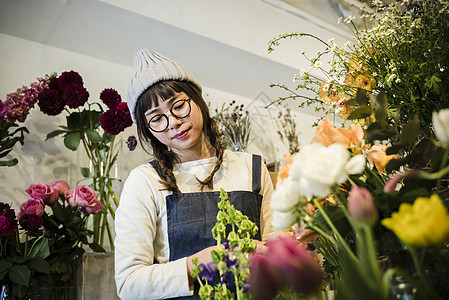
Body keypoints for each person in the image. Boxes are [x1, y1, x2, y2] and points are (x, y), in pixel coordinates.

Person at [114, 49, 275, 299]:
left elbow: (274, 246)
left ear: (198, 100)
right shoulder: (145, 181)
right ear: (148, 131)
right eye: (157, 119)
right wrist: (201, 263)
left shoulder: (251, 168)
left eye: (178, 106)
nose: (173, 122)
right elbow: (129, 285)